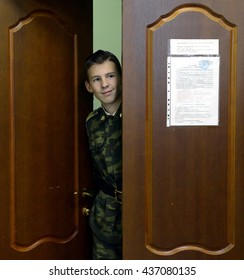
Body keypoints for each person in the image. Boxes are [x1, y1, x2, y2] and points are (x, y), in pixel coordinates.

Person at [84, 50, 122, 259]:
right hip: (104, 218)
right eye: (97, 79)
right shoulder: (91, 123)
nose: (105, 84)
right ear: (89, 86)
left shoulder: (139, 114)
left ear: (121, 77)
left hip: (140, 215)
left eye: (110, 76)